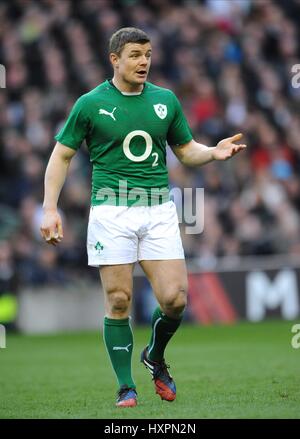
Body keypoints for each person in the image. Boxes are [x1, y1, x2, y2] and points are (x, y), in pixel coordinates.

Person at [40, 27, 246, 408]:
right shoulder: (89, 103)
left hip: (157, 210)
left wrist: (212, 153)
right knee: (119, 300)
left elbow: (185, 151)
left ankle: (154, 354)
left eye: (148, 54)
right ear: (114, 59)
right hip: (110, 211)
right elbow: (61, 156)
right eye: (135, 55)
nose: (144, 62)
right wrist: (50, 208)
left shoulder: (165, 101)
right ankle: (125, 386)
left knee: (176, 299)